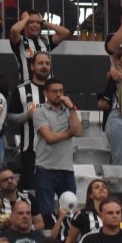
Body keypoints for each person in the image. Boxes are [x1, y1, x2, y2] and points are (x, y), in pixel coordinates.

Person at [32, 77, 81, 220]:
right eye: (54, 91)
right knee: (46, 213)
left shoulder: (68, 111)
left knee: (70, 212)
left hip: (66, 169)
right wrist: (69, 133)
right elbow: (49, 138)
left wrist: (72, 108)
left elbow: (77, 132)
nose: (59, 94)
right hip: (45, 169)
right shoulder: (39, 111)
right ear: (46, 93)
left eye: (61, 91)